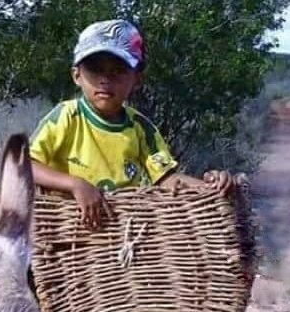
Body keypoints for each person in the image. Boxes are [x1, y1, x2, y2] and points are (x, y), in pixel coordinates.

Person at [30, 19, 236, 229]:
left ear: (136, 79)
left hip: (123, 229)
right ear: (77, 75)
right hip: (69, 230)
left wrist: (210, 187)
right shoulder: (66, 116)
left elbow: (165, 179)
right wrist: (75, 184)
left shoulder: (140, 127)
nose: (105, 79)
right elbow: (25, 166)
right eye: (95, 69)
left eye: (118, 71)